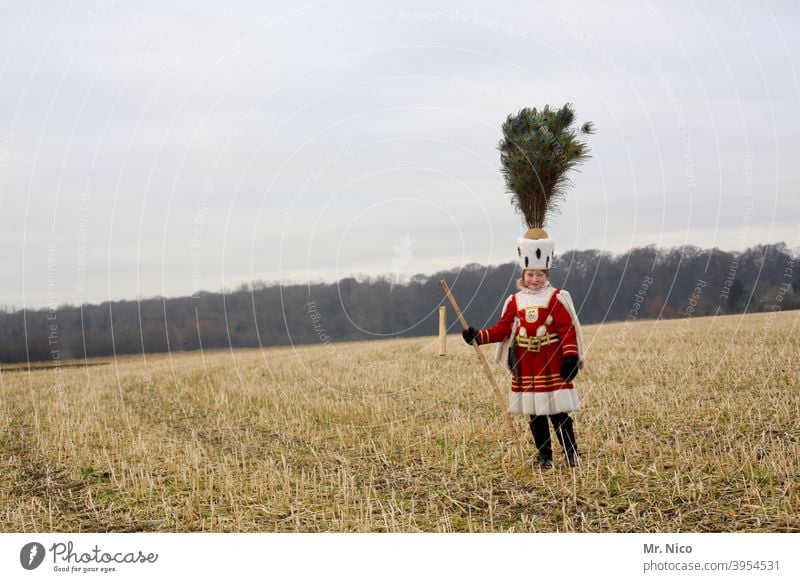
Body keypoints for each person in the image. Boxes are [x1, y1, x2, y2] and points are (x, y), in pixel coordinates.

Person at [461, 229, 584, 469]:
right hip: (526, 365)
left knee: (558, 412)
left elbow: (568, 330)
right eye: (530, 274)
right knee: (535, 415)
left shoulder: (557, 298)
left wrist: (570, 357)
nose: (535, 279)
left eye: (539, 275)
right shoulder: (515, 301)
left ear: (546, 274)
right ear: (523, 274)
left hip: (552, 363)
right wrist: (478, 336)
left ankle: (572, 454)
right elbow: (502, 330)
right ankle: (545, 457)